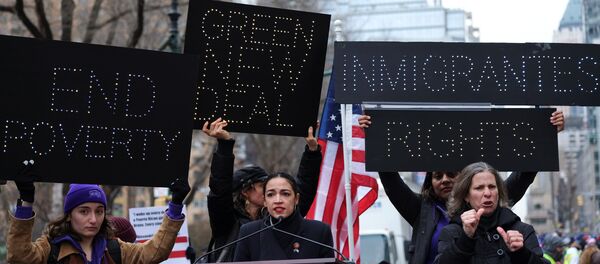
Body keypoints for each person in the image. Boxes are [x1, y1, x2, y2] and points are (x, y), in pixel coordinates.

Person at [357, 110, 564, 264]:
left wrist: (545, 133)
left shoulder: (490, 203)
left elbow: (522, 176)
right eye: (438, 176)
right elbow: (393, 184)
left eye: (452, 175)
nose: (445, 180)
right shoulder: (422, 210)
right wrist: (376, 138)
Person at [7, 163, 190, 264]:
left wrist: (175, 205)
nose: (93, 219)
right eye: (84, 211)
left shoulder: (116, 250)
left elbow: (155, 253)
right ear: (69, 214)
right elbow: (18, 256)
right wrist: (26, 200)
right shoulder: (50, 249)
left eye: (99, 211)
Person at [202, 118, 322, 262]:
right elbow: (219, 190)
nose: (272, 194)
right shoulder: (227, 221)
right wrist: (225, 145)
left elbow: (304, 189)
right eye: (264, 188)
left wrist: (312, 151)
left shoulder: (278, 219)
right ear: (246, 191)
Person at [434, 162, 546, 263]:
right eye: (479, 188)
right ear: (466, 196)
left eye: (492, 187)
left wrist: (521, 253)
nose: (487, 193)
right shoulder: (452, 232)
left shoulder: (522, 230)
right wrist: (465, 240)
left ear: (499, 192)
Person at [233, 172, 334, 261]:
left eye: (285, 194)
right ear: (264, 201)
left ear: (296, 199)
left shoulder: (319, 231)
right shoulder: (249, 232)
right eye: (270, 194)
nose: (278, 200)